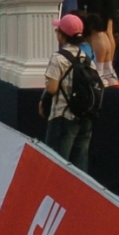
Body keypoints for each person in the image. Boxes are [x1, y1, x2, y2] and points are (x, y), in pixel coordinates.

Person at [41, 14, 95, 171]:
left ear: (62, 34)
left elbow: (52, 88)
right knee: (79, 165)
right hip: (85, 116)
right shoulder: (86, 57)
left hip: (63, 116)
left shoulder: (59, 58)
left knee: (58, 163)